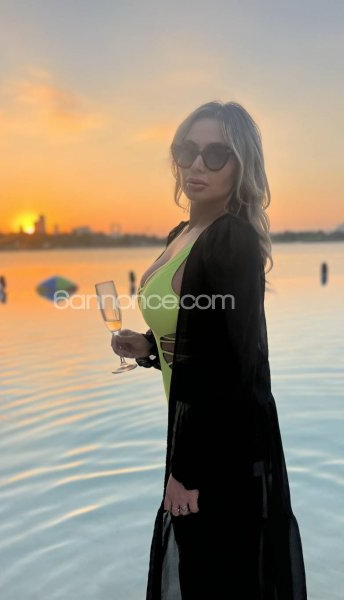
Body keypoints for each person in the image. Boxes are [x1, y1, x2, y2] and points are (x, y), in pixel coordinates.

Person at [111, 101, 308, 599]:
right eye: (187, 151)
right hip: (196, 431)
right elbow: (202, 336)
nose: (197, 165)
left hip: (223, 445)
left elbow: (232, 367)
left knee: (216, 578)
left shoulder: (231, 239)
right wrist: (149, 346)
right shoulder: (183, 234)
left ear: (242, 165)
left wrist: (187, 471)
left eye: (216, 154)